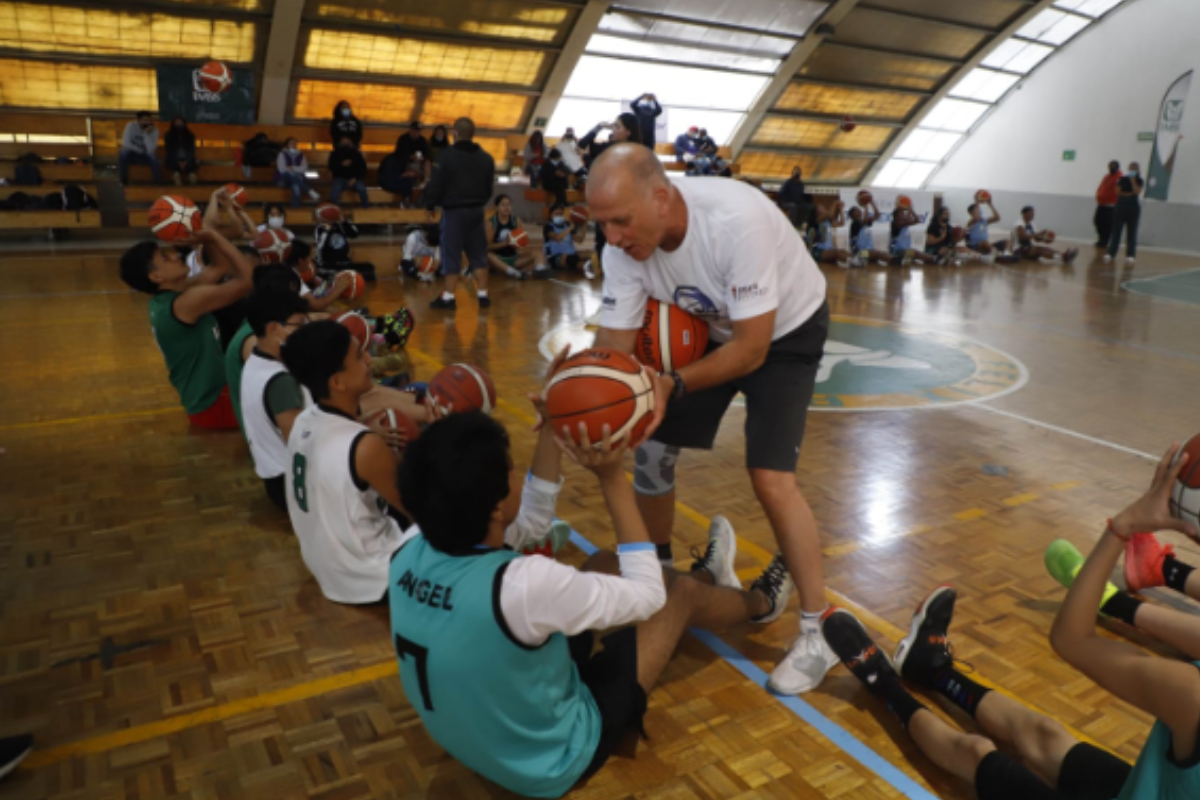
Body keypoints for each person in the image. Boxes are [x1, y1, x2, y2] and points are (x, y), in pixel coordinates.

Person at [390, 402, 781, 798]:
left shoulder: (408, 544)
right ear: (494, 506)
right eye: (511, 468)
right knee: (680, 596)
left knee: (602, 563)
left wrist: (552, 428)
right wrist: (612, 477)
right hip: (551, 761)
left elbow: (532, 522)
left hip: (473, 738)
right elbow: (649, 597)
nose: (515, 473)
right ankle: (761, 602)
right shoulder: (523, 585)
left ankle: (709, 576)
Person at [589, 143, 836, 695]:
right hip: (712, 329)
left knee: (771, 478)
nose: (612, 237)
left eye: (621, 221)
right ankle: (656, 582)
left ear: (661, 197)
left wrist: (670, 384)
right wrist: (579, 384)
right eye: (601, 224)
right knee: (649, 445)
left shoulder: (734, 220)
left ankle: (818, 632)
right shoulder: (623, 248)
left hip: (786, 334)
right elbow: (614, 347)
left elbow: (752, 349)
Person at [280, 321, 411, 604]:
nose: (368, 359)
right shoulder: (365, 446)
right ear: (337, 382)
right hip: (374, 577)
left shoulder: (305, 418)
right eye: (358, 357)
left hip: (325, 566)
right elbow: (418, 510)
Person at [119, 229, 253, 429]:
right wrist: (216, 236)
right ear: (156, 276)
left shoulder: (169, 297)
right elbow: (248, 280)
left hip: (208, 400)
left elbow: (219, 266)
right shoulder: (186, 303)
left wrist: (207, 234)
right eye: (165, 258)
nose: (175, 255)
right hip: (216, 405)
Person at [241, 290, 311, 510]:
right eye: (299, 325)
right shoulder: (279, 380)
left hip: (278, 480)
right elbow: (301, 442)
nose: (304, 331)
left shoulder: (255, 359)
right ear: (274, 328)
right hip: (295, 486)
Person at [423, 117, 495, 311]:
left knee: (451, 254)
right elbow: (489, 188)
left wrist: (430, 205)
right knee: (478, 253)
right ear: (473, 134)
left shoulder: (446, 156)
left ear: (455, 133)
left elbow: (436, 184)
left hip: (454, 212)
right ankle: (483, 294)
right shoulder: (486, 158)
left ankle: (448, 297)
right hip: (477, 212)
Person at [577, 114, 643, 275]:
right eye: (613, 126)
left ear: (629, 132)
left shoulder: (636, 152)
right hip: (606, 204)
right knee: (603, 241)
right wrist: (599, 127)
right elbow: (581, 145)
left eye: (617, 126)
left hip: (626, 205)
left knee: (623, 241)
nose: (613, 129)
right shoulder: (607, 147)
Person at [486, 194, 547, 280]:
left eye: (509, 204)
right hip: (498, 260)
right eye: (503, 205)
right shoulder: (491, 223)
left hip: (513, 258)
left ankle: (540, 270)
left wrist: (521, 241)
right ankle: (514, 273)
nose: (506, 207)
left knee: (537, 253)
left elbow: (521, 243)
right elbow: (488, 246)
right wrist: (506, 243)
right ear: (497, 207)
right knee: (488, 255)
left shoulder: (515, 220)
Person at [314, 205, 375, 280]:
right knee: (330, 275)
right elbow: (320, 246)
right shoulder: (320, 229)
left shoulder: (342, 225)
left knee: (368, 268)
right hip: (327, 263)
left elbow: (354, 234)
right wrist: (326, 231)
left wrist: (344, 222)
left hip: (344, 262)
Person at [1106, 161, 1144, 266]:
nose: (1132, 170)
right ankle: (1111, 253)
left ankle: (1130, 255)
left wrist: (1133, 182)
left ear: (1137, 170)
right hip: (1120, 207)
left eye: (1135, 168)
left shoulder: (1139, 180)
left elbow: (1137, 191)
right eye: (1131, 168)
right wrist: (1129, 193)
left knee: (1132, 231)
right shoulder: (1122, 179)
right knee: (1116, 231)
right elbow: (1117, 192)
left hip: (1133, 208)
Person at [543, 202, 595, 278]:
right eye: (557, 214)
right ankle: (588, 268)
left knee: (590, 253)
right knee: (571, 259)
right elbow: (557, 238)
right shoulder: (548, 227)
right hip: (556, 257)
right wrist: (570, 228)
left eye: (561, 214)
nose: (559, 216)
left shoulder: (566, 225)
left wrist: (584, 224)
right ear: (551, 215)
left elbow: (580, 240)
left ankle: (602, 265)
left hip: (571, 253)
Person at [1010, 206, 1078, 264]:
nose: (1033, 215)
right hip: (1018, 249)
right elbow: (1023, 237)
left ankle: (1063, 256)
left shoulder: (1032, 224)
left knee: (1045, 248)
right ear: (1024, 214)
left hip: (1028, 248)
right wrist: (1039, 233)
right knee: (1038, 250)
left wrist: (1045, 240)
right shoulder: (1019, 224)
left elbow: (1036, 239)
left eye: (1033, 213)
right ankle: (1063, 258)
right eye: (1031, 213)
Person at [119, 111, 163, 185]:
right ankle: (123, 180)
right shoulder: (130, 126)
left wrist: (145, 134)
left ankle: (158, 181)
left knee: (152, 156)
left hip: (146, 155)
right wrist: (140, 150)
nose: (148, 123)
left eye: (149, 120)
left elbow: (151, 149)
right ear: (138, 120)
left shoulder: (155, 130)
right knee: (123, 152)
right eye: (145, 120)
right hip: (133, 154)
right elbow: (126, 143)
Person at [276, 137, 321, 208]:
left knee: (295, 185)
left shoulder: (301, 155)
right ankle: (309, 190)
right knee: (288, 174)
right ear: (287, 145)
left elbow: (304, 168)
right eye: (291, 143)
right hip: (284, 179)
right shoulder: (282, 154)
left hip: (297, 178)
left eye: (294, 143)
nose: (293, 144)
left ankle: (295, 208)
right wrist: (296, 169)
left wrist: (293, 168)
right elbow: (282, 169)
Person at [808, 201, 853, 268]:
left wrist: (840, 209)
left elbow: (842, 223)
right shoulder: (818, 220)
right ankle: (852, 261)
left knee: (843, 251)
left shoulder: (827, 222)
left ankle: (855, 259)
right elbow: (830, 214)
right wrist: (835, 202)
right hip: (819, 250)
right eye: (821, 208)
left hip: (829, 249)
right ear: (816, 212)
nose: (824, 208)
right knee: (837, 254)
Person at [329, 137, 370, 207]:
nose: (345, 144)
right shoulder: (334, 154)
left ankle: (365, 208)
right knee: (334, 193)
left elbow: (363, 169)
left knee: (362, 190)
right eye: (343, 142)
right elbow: (331, 167)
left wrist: (355, 179)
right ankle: (332, 209)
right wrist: (341, 165)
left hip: (355, 179)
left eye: (347, 142)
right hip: (340, 178)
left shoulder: (357, 154)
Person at [1094, 160, 1121, 247]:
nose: (1111, 168)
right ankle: (1101, 238)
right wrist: (1098, 194)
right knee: (1098, 221)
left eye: (1112, 166)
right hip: (1102, 204)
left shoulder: (1119, 177)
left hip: (1112, 205)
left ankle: (1105, 241)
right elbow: (1101, 187)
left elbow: (1118, 190)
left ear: (1117, 167)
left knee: (1108, 224)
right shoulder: (1106, 176)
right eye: (1109, 166)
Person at [164, 117, 198, 186]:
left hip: (188, 159)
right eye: (176, 122)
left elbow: (192, 150)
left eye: (180, 122)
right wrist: (178, 161)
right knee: (174, 168)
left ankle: (192, 179)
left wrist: (186, 161)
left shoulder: (190, 135)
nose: (178, 124)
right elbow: (169, 151)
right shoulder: (168, 135)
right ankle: (177, 179)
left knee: (191, 169)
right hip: (174, 159)